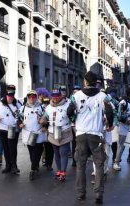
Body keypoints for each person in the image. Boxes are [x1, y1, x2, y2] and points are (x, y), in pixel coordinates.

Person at [67, 71, 114, 204]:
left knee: (81, 165)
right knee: (98, 164)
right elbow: (111, 110)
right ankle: (98, 193)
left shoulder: (76, 95)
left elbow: (69, 111)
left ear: (85, 82)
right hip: (96, 134)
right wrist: (109, 124)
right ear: (96, 82)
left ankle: (81, 193)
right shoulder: (103, 96)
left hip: (81, 134)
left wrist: (74, 120)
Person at [40, 88, 72, 181]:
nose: (55, 98)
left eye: (57, 95)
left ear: (61, 96)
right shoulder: (48, 107)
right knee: (57, 152)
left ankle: (63, 172)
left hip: (65, 131)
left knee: (63, 152)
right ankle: (59, 171)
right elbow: (45, 117)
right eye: (53, 96)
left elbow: (73, 116)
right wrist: (42, 120)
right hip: (52, 132)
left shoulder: (67, 105)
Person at [19, 90, 46, 180]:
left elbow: (47, 119)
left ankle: (33, 169)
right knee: (31, 152)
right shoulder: (22, 108)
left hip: (38, 133)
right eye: (30, 97)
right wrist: (20, 124)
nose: (32, 98)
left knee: (37, 151)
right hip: (27, 134)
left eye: (33, 97)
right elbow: (18, 119)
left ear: (36, 97)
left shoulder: (41, 107)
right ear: (27, 98)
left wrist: (44, 125)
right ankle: (35, 166)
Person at [0, 85, 21, 174]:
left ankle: (14, 166)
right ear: (6, 94)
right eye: (9, 96)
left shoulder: (18, 104)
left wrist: (20, 123)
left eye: (12, 96)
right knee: (6, 148)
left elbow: (20, 116)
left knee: (12, 148)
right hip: (2, 129)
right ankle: (8, 166)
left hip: (13, 129)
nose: (10, 98)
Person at [113, 87, 130, 172]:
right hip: (123, 127)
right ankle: (116, 163)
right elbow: (118, 115)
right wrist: (126, 119)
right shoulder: (123, 102)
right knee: (122, 146)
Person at [36, 87, 54, 171]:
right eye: (40, 95)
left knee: (49, 147)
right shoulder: (36, 105)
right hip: (39, 129)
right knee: (39, 148)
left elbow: (49, 117)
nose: (41, 96)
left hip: (47, 129)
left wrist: (45, 126)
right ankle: (37, 163)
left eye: (43, 95)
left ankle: (48, 164)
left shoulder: (48, 105)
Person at [70, 85, 81, 167]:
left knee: (79, 143)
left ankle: (78, 159)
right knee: (75, 143)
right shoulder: (71, 100)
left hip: (81, 125)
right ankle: (75, 160)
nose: (75, 93)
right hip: (74, 125)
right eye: (74, 91)